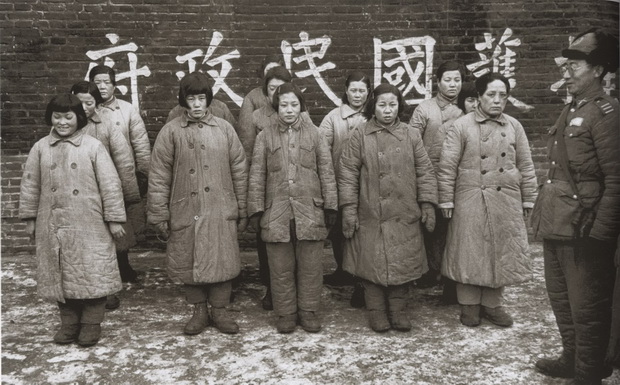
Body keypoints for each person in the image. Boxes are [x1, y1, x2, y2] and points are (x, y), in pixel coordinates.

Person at [531, 28, 620, 385]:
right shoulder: (573, 108)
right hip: (559, 224)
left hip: (585, 230)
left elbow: (616, 179)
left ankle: (587, 375)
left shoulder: (606, 114)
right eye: (566, 64)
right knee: (561, 300)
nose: (567, 70)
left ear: (598, 70)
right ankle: (572, 358)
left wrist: (602, 232)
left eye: (576, 64)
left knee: (588, 309)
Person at [19, 94, 126, 347]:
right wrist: (30, 217)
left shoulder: (93, 146)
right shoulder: (41, 147)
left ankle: (90, 324)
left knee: (91, 273)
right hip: (53, 223)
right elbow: (30, 184)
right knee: (61, 276)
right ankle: (69, 324)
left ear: (79, 117)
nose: (63, 122)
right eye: (57, 117)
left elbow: (110, 184)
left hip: (89, 223)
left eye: (69, 117)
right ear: (51, 118)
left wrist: (114, 218)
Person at [147, 72, 248, 336]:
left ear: (208, 100)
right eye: (191, 99)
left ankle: (220, 310)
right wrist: (159, 213)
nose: (196, 105)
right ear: (183, 101)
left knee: (221, 259)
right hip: (185, 209)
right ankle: (199, 311)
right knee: (188, 261)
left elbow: (239, 169)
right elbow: (159, 174)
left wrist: (243, 208)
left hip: (219, 207)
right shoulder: (170, 132)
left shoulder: (224, 129)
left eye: (201, 98)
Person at [437, 72, 537, 328]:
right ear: (479, 96)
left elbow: (525, 164)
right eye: (491, 94)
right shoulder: (462, 126)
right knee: (470, 251)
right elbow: (447, 166)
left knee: (501, 250)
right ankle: (469, 306)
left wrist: (529, 199)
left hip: (506, 198)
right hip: (470, 197)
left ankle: (492, 305)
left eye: (502, 95)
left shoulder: (514, 126)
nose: (497, 100)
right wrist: (446, 200)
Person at [338, 84, 438, 333]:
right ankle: (377, 312)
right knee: (370, 265)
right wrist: (349, 209)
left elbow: (424, 171)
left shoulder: (410, 134)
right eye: (382, 105)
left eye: (392, 104)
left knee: (402, 264)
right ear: (373, 107)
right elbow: (348, 173)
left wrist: (427, 203)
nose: (387, 110)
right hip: (370, 214)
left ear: (399, 106)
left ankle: (398, 311)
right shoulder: (360, 134)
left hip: (403, 214)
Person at [247, 82, 337, 333]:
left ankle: (308, 311)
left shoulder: (315, 134)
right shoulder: (265, 136)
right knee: (280, 268)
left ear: (301, 106)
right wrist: (255, 209)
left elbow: (327, 172)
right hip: (276, 213)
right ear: (276, 107)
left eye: (294, 104)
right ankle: (285, 313)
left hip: (310, 211)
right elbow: (257, 175)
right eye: (284, 105)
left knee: (310, 267)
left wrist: (331, 207)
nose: (289, 110)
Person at [240, 66, 311, 311]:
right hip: (269, 186)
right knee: (269, 243)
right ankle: (273, 289)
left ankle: (299, 296)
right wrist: (254, 198)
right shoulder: (257, 117)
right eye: (271, 89)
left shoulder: (304, 117)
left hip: (297, 190)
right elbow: (249, 152)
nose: (276, 94)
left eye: (281, 89)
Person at [70, 81, 141, 303]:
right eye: (79, 102)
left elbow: (124, 161)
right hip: (75, 196)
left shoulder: (107, 125)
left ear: (97, 103)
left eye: (89, 103)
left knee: (106, 245)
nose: (83, 108)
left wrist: (128, 196)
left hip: (103, 195)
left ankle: (108, 290)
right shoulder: (64, 125)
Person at [89, 65, 150, 291]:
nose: (102, 86)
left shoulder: (126, 110)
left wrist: (142, 174)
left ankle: (123, 264)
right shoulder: (82, 110)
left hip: (121, 176)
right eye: (97, 81)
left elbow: (141, 145)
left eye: (106, 81)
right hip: (92, 177)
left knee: (121, 223)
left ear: (114, 84)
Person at [408, 61, 465, 291]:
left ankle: (451, 274)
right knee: (429, 225)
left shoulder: (466, 107)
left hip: (457, 176)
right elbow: (411, 141)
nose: (453, 85)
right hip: (429, 175)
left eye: (457, 80)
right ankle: (429, 270)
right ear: (438, 82)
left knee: (453, 227)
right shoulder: (424, 109)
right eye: (448, 80)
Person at [319, 71, 370, 306]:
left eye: (362, 90)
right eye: (353, 90)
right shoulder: (332, 118)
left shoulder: (373, 116)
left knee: (362, 235)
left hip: (368, 186)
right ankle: (343, 270)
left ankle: (361, 282)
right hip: (341, 184)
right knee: (340, 232)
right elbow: (321, 150)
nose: (357, 95)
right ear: (346, 91)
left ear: (368, 93)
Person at [237, 54, 285, 147]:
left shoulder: (292, 95)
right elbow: (247, 137)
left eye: (277, 70)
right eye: (269, 70)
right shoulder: (252, 97)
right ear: (263, 72)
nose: (272, 74)